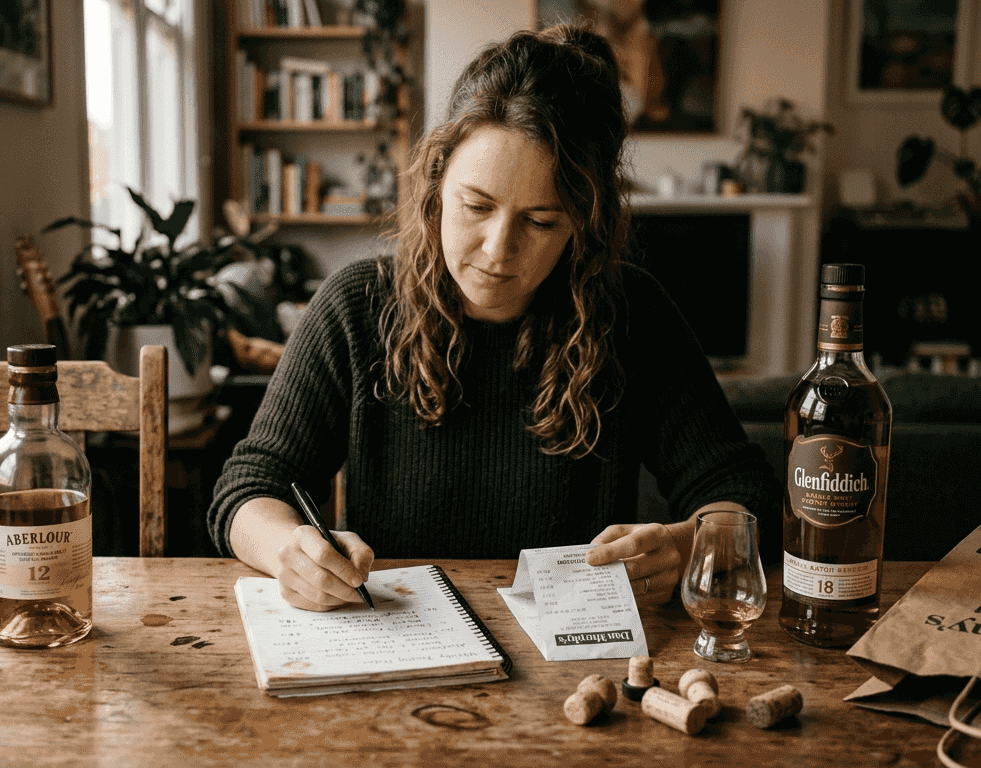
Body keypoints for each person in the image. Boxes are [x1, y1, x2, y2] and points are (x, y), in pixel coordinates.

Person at [208, 24, 775, 612]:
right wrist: (287, 550)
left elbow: (742, 493)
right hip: (396, 651)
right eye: (476, 206)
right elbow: (248, 489)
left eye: (541, 222)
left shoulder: (631, 313)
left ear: (585, 223)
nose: (498, 250)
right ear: (436, 183)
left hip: (572, 667)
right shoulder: (356, 307)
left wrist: (688, 544)